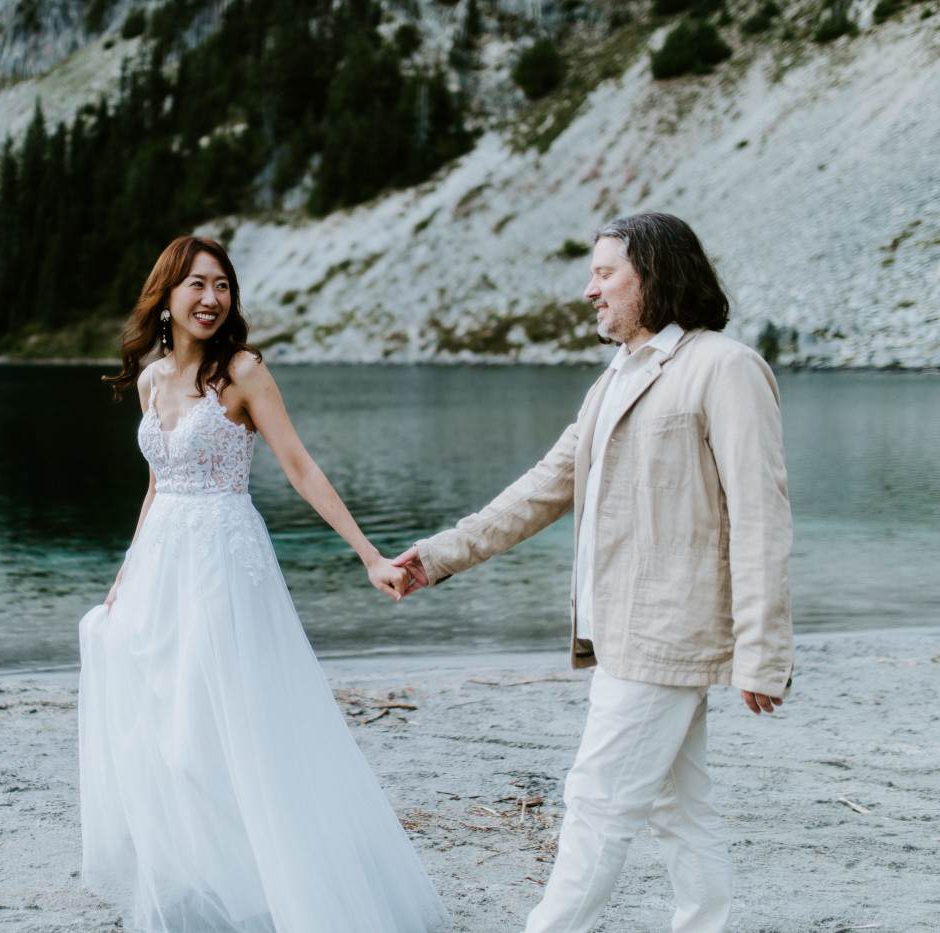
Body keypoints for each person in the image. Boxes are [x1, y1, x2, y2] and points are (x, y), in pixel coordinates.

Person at [394, 211, 793, 933]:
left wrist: (762, 651)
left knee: (596, 801)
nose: (590, 289)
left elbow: (762, 514)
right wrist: (436, 556)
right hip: (620, 630)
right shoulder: (613, 380)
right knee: (679, 806)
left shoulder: (723, 366)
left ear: (656, 275)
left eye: (605, 272)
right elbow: (542, 487)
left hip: (667, 629)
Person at [78, 235, 448, 933]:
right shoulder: (155, 380)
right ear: (166, 296)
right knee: (162, 729)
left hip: (223, 561)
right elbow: (157, 485)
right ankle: (210, 880)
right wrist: (125, 574)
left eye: (222, 285)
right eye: (196, 284)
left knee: (217, 727)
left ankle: (275, 885)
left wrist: (368, 554)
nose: (212, 298)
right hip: (162, 564)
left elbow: (300, 467)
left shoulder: (242, 372)